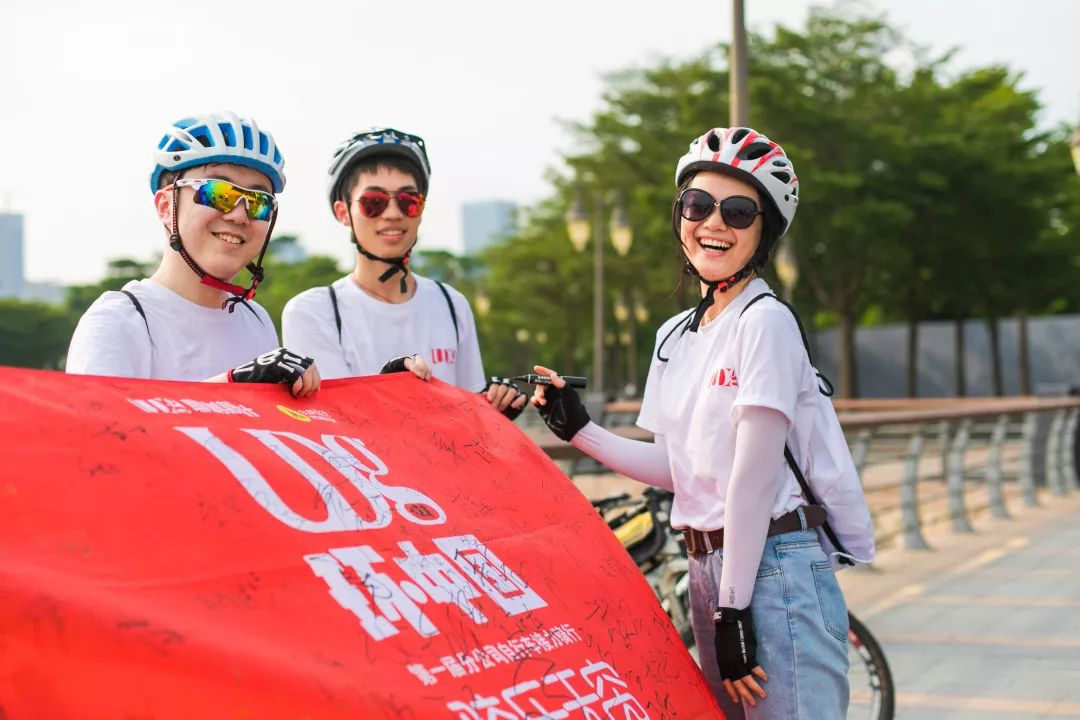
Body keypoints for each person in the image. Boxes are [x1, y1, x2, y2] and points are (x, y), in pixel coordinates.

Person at [530, 127, 874, 719]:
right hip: (706, 568)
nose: (714, 223)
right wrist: (579, 429)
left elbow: (753, 479)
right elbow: (678, 468)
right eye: (698, 205)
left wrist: (735, 608)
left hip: (773, 566)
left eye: (738, 212)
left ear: (764, 231)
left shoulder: (764, 322)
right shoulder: (674, 336)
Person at [67, 111, 320, 397]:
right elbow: (101, 422)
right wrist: (232, 383)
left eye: (258, 202)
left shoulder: (255, 320)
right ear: (166, 207)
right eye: (218, 193)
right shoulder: (120, 320)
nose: (239, 215)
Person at [281, 127, 524, 417]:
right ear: (343, 212)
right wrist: (397, 388)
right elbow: (337, 421)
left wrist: (497, 406)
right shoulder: (313, 312)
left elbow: (471, 416)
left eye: (409, 201)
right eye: (374, 202)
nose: (393, 213)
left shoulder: (451, 303)